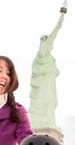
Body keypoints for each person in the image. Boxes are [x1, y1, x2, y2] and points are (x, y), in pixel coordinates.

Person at [28, 3, 67, 131]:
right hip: (43, 85)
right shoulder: (43, 53)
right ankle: (42, 123)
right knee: (46, 103)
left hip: (45, 84)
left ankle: (46, 122)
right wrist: (62, 16)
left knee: (48, 104)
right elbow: (55, 32)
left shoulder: (41, 57)